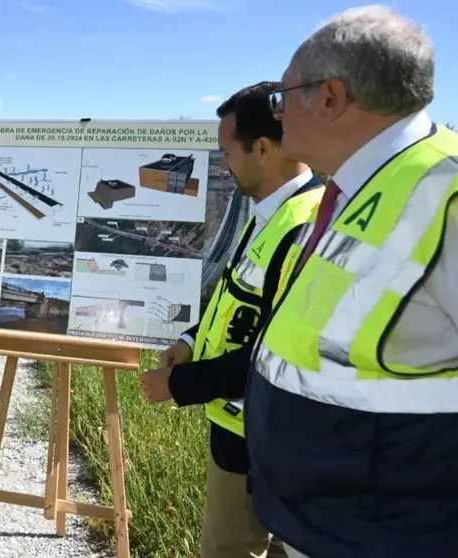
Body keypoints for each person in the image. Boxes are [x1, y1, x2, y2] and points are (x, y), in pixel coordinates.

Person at [244, 5, 458, 557]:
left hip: (391, 534)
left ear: (329, 97)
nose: (277, 114)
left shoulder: (450, 192)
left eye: (281, 97)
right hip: (327, 522)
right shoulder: (361, 186)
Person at [140, 81, 322, 558]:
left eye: (226, 152)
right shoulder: (271, 214)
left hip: (265, 437)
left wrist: (177, 386)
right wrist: (189, 338)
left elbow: (275, 352)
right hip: (246, 431)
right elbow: (233, 300)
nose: (223, 164)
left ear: (262, 148)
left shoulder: (304, 227)